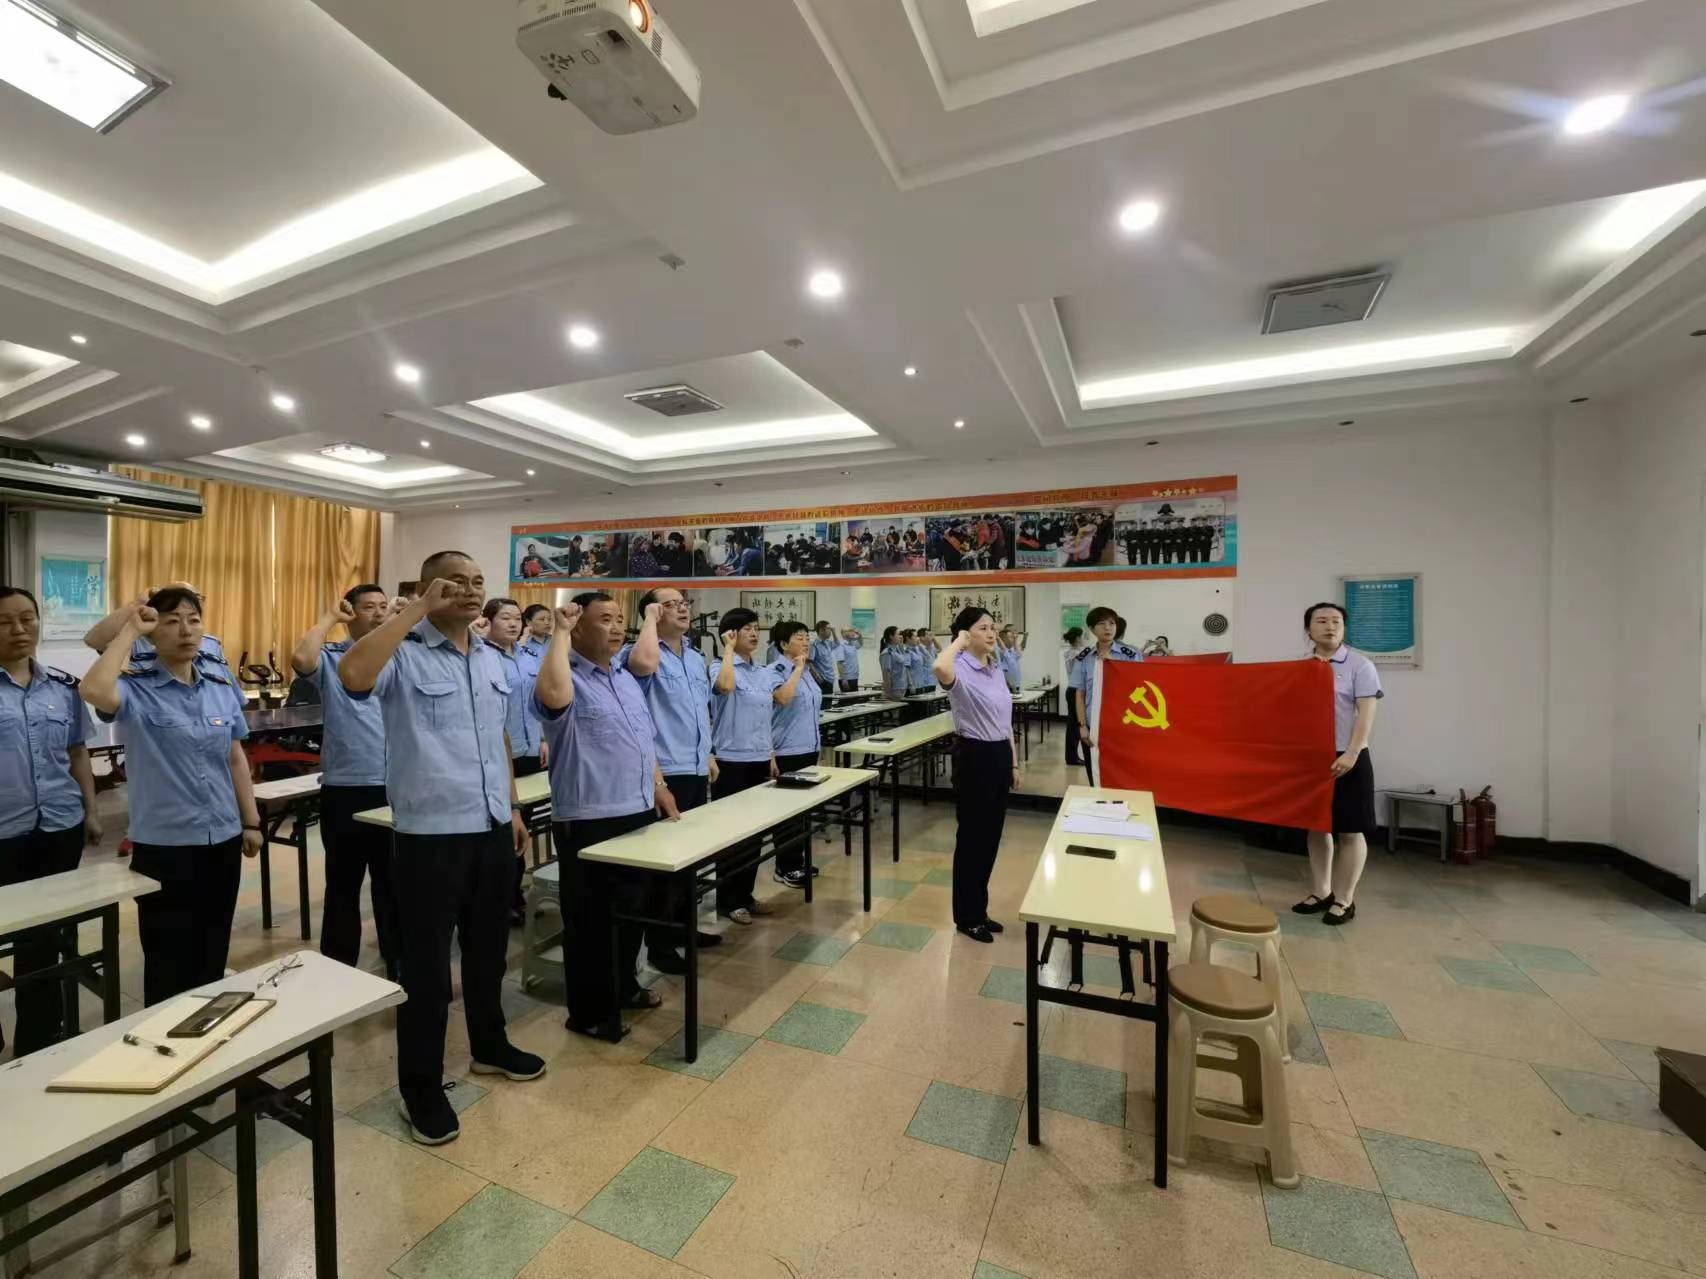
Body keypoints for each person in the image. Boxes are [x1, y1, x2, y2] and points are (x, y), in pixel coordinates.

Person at [338, 553, 544, 1146]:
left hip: (490, 826)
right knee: (427, 970)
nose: (471, 591)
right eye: (455, 582)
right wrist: (412, 612)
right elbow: (353, 676)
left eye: (477, 582)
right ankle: (420, 1087)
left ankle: (490, 1045)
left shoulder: (490, 657)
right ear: (428, 587)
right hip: (429, 835)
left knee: (488, 950)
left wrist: (512, 808)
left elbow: (495, 735)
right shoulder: (402, 651)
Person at [79, 586, 261, 1007]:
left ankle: (206, 1030)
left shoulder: (219, 685)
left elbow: (235, 757)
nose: (185, 630)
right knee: (167, 957)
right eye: (172, 621)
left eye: (193, 620)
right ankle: (164, 1036)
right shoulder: (135, 689)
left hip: (223, 837)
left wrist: (251, 821)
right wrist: (130, 628)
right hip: (166, 845)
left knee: (213, 946)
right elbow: (92, 690)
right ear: (152, 633)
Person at [535, 592, 680, 1037]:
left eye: (620, 618)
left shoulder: (625, 677)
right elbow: (553, 698)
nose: (617, 627)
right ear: (577, 625)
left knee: (631, 914)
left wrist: (659, 786)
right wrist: (559, 633)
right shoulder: (564, 674)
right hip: (589, 818)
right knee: (591, 922)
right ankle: (589, 1013)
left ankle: (624, 987)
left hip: (636, 810)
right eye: (605, 619)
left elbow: (643, 740)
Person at [1, 586, 101, 1056]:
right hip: (4, 834)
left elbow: (78, 753)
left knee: (47, 938)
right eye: (5, 622)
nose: (19, 629)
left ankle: (39, 1039)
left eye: (27, 618)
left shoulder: (63, 688)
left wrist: (91, 812)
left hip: (59, 827)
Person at [290, 583, 397, 975]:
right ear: (351, 613)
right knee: (342, 884)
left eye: (383, 606)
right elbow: (301, 659)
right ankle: (338, 967)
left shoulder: (399, 657)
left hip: (394, 787)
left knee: (392, 882)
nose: (378, 613)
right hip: (346, 788)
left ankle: (397, 958)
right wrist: (330, 617)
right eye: (368, 607)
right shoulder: (334, 658)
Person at [617, 587, 722, 974]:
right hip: (665, 771)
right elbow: (642, 668)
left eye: (684, 603)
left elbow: (700, 710)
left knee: (688, 859)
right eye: (670, 604)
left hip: (694, 767)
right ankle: (659, 945)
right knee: (663, 867)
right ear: (652, 611)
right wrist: (648, 619)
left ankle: (682, 929)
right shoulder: (642, 652)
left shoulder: (694, 657)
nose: (682, 608)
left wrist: (708, 752)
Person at [1293, 603, 1383, 926]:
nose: (1330, 626)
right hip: (1312, 758)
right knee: (1317, 826)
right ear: (1308, 630)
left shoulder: (1360, 665)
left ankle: (1345, 899)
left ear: (1344, 628)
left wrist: (1352, 753)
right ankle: (1321, 891)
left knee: (1350, 830)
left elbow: (1366, 713)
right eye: (1321, 621)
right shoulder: (1301, 668)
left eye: (1336, 621)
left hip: (1348, 756)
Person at [933, 608, 1019, 943]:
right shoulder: (959, 667)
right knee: (972, 840)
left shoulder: (994, 668)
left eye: (992, 626)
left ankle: (979, 910)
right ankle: (966, 917)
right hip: (974, 757)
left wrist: (1013, 763)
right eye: (982, 628)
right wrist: (959, 642)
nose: (991, 632)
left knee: (990, 839)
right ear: (966, 635)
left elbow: (1005, 721)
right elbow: (939, 667)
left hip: (999, 756)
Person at [709, 608, 785, 923]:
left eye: (756, 628)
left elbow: (764, 718)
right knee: (732, 836)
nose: (754, 633)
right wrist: (727, 649)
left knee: (754, 835)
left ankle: (745, 896)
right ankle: (728, 901)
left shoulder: (762, 672)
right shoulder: (719, 666)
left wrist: (771, 754)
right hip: (730, 763)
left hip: (759, 760)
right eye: (746, 629)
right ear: (730, 634)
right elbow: (725, 687)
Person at [483, 597, 545, 924]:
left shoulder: (529, 657)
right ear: (488, 621)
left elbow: (540, 699)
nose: (513, 623)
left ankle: (515, 893)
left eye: (517, 618)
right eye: (505, 618)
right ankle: (499, 899)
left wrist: (544, 739)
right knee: (501, 830)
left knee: (523, 828)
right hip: (498, 756)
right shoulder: (482, 657)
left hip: (530, 750)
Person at [767, 621, 822, 889]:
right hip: (787, 751)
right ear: (783, 644)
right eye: (799, 637)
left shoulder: (807, 671)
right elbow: (783, 698)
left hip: (809, 748)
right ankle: (785, 867)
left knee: (803, 812)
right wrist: (798, 669)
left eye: (807, 637)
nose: (806, 642)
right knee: (787, 815)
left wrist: (802, 668)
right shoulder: (775, 671)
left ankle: (797, 861)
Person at [1070, 606, 1144, 784]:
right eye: (1102, 624)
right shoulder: (1084, 657)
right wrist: (1082, 726)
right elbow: (1080, 693)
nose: (1108, 628)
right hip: (1093, 727)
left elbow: (1140, 687)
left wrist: (1114, 665)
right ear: (1092, 629)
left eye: (1112, 623)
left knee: (1123, 777)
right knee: (1095, 776)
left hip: (1122, 726)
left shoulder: (1131, 655)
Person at [1060, 627, 1085, 766]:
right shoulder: (1075, 653)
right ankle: (1072, 758)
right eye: (1082, 636)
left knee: (1074, 725)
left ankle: (1072, 756)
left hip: (1074, 690)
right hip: (1075, 690)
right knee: (1074, 726)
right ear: (1077, 638)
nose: (1083, 639)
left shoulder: (1072, 652)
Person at [808, 621, 840, 693]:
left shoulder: (828, 643)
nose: (830, 631)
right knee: (822, 699)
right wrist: (817, 676)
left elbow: (837, 643)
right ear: (821, 631)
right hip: (821, 679)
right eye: (829, 629)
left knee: (829, 699)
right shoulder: (814, 644)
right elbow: (809, 662)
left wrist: (834, 632)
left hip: (830, 678)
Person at [878, 627, 906, 701]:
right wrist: (888, 692)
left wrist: (901, 646)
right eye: (898, 634)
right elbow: (886, 673)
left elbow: (904, 661)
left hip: (901, 687)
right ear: (891, 636)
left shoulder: (897, 651)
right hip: (894, 689)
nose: (901, 637)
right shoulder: (887, 653)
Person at [997, 626, 1024, 692]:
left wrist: (1015, 639)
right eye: (1010, 637)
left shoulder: (1012, 650)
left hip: (1016, 685)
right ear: (1003, 639)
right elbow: (1007, 655)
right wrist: (998, 638)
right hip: (1007, 687)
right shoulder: (999, 652)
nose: (1012, 639)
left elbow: (1018, 654)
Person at [836, 628, 862, 692]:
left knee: (855, 698)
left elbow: (860, 644)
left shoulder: (853, 643)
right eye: (850, 631)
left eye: (853, 631)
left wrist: (860, 636)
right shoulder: (841, 645)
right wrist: (844, 679)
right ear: (844, 633)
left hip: (854, 677)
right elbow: (839, 664)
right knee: (848, 698)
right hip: (847, 679)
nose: (853, 632)